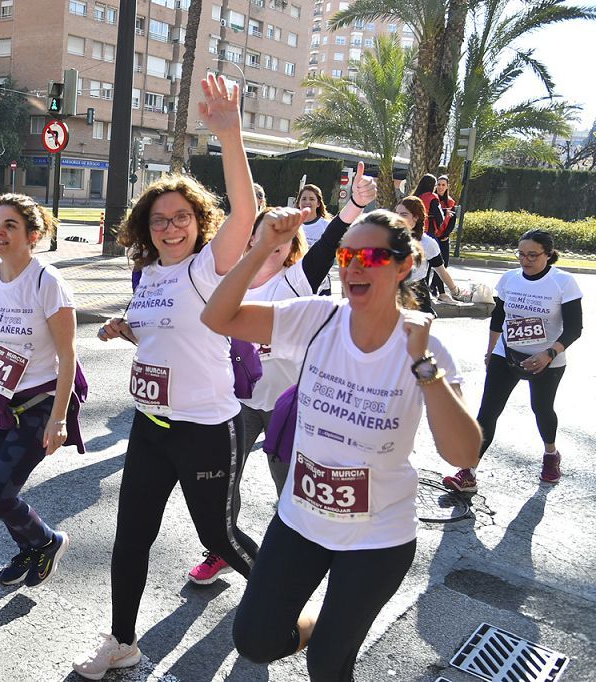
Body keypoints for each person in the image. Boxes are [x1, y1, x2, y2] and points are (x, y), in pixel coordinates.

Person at [203, 207, 481, 682]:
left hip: (377, 537)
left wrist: (424, 365)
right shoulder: (318, 318)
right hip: (301, 519)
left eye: (369, 255)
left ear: (403, 265)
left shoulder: (423, 346)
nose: (352, 265)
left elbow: (463, 454)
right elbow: (218, 316)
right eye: (345, 253)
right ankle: (317, 625)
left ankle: (330, 637)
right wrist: (263, 247)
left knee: (329, 665)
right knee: (255, 640)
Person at [72, 74, 259, 680]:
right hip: (151, 427)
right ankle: (122, 641)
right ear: (145, 228)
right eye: (159, 220)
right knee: (131, 538)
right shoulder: (150, 276)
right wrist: (126, 328)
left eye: (181, 218)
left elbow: (246, 211)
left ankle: (281, 599)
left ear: (198, 222)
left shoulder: (212, 265)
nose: (170, 227)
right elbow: (164, 330)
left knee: (221, 537)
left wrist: (230, 136)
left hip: (206, 428)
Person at [186, 163, 377, 586]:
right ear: (251, 239)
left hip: (287, 405)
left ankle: (288, 559)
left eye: (284, 241)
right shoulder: (229, 283)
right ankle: (222, 547)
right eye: (263, 237)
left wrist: (354, 206)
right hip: (236, 403)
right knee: (222, 483)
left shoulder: (295, 282)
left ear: (292, 248)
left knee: (288, 487)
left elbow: (328, 246)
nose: (273, 246)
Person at [0, 193, 84, 589]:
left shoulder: (47, 282)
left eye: (10, 225)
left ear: (34, 235)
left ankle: (47, 541)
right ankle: (28, 549)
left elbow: (67, 354)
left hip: (38, 404)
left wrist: (59, 418)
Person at [443, 229, 583, 493]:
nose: (525, 260)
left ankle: (551, 454)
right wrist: (490, 351)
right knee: (488, 412)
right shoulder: (510, 279)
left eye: (532, 255)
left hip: (547, 359)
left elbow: (574, 328)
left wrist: (548, 354)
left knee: (541, 409)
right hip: (505, 354)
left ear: (548, 255)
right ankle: (468, 472)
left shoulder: (563, 283)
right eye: (521, 254)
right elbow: (498, 319)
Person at [395, 197, 461, 315]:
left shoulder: (427, 243)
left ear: (416, 217)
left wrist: (455, 291)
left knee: (415, 330)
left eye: (404, 214)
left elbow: (440, 270)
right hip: (391, 291)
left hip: (416, 293)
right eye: (397, 214)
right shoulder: (387, 238)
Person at [297, 184, 333, 295]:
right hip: (296, 282)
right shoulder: (292, 225)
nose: (307, 202)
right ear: (299, 203)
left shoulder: (326, 226)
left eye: (312, 199)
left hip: (321, 285)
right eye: (304, 199)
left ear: (318, 203)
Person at [429, 175, 457, 302]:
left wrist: (446, 234)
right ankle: (439, 291)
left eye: (443, 185)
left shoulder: (450, 202)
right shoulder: (431, 199)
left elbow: (452, 219)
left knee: (443, 264)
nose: (440, 187)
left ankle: (435, 286)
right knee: (431, 264)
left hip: (443, 237)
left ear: (447, 187)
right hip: (432, 236)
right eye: (438, 184)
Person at [413, 173, 444, 240]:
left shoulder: (414, 196)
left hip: (414, 228)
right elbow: (439, 217)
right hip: (428, 229)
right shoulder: (432, 197)